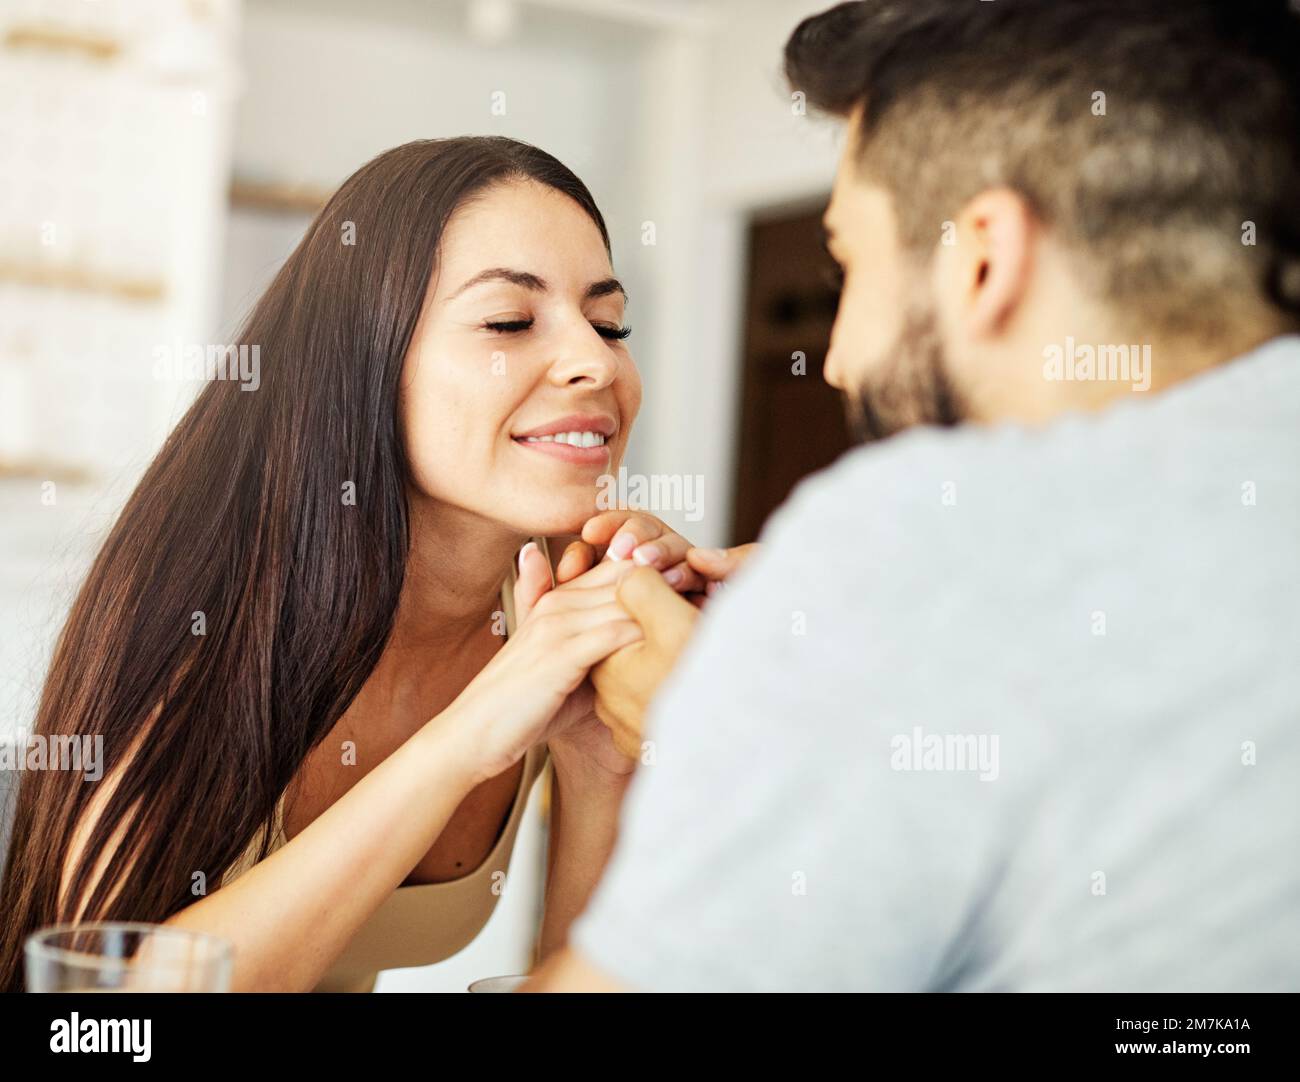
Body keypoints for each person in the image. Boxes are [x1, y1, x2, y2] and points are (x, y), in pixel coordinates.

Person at [527, 0, 1300, 991]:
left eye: (849, 262)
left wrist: (725, 727)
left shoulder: (918, 538)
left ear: (984, 257)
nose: (840, 357)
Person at [0, 136, 705, 992]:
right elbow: (112, 1010)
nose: (596, 360)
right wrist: (469, 736)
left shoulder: (559, 613)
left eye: (609, 322)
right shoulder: (204, 605)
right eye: (510, 323)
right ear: (366, 359)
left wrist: (605, 758)